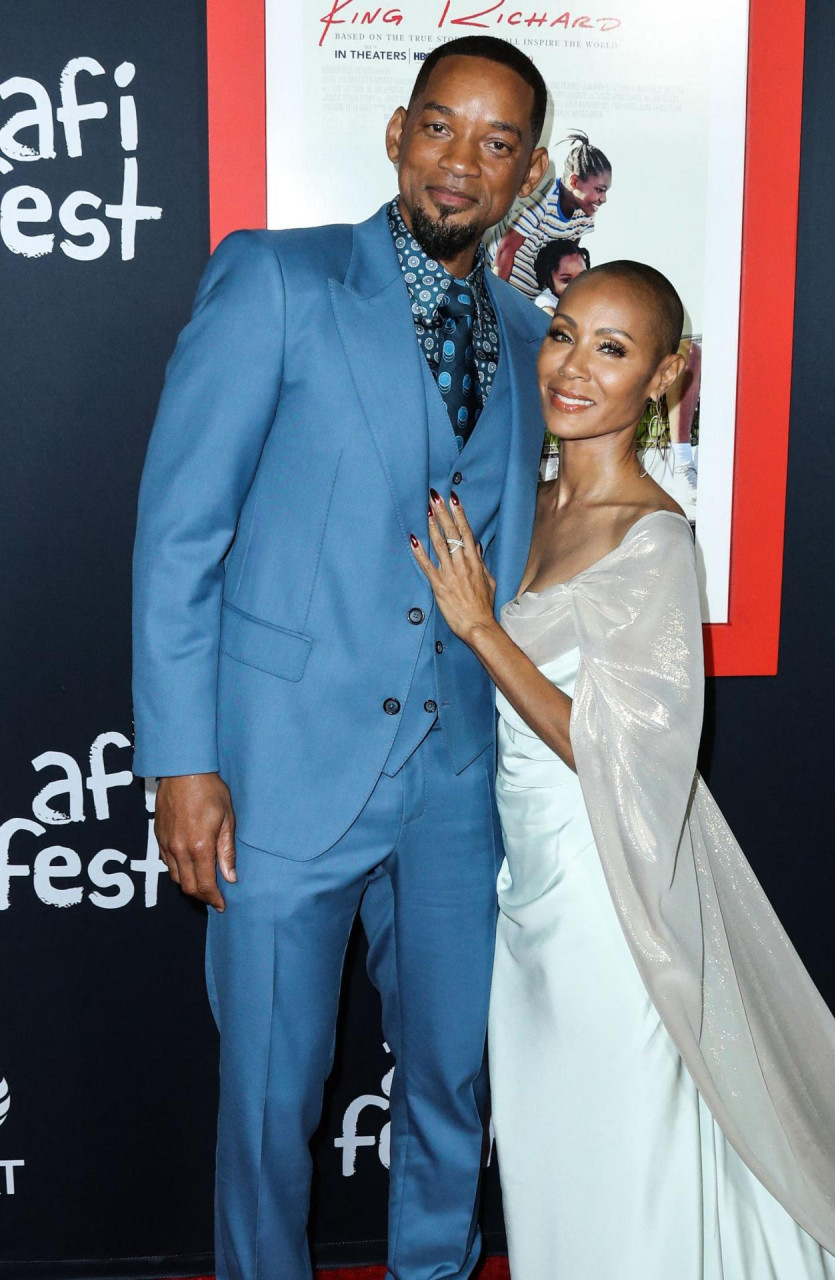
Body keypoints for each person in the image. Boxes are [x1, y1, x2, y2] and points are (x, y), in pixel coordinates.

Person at [409, 262, 835, 1280]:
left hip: (609, 888)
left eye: (612, 349)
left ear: (663, 378)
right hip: (525, 878)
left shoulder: (652, 540)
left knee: (621, 1129)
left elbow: (618, 751)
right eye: (563, 334)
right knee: (557, 1129)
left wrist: (481, 629)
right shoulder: (529, 504)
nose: (572, 367)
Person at [131, 36, 550, 1280]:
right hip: (281, 771)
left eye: (494, 142)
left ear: (528, 174)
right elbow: (180, 536)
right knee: (270, 1098)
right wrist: (182, 760)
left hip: (454, 774)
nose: (459, 162)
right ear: (395, 133)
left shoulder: (530, 332)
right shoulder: (275, 279)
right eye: (439, 126)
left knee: (451, 1077)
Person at [491, 129, 611, 298]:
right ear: (574, 182)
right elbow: (506, 250)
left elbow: (567, 260)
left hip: (532, 296)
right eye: (599, 190)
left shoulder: (584, 215)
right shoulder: (541, 200)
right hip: (502, 286)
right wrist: (497, 302)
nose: (604, 199)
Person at [530, 236, 590, 314]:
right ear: (548, 280)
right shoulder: (546, 303)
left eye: (581, 277)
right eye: (566, 280)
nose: (576, 285)